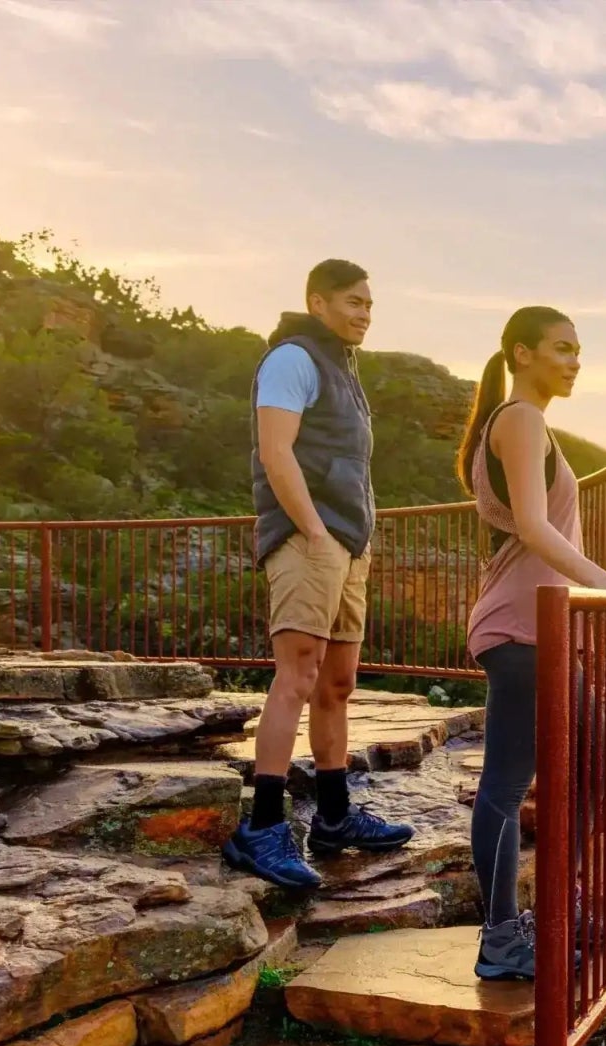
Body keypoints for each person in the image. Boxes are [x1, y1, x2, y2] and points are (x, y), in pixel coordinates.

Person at [461, 306, 606, 980]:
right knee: (506, 787)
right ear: (521, 353)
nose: (574, 360)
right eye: (561, 348)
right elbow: (538, 528)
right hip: (520, 628)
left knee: (602, 759)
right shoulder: (519, 420)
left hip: (534, 629)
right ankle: (503, 939)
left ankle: (548, 909)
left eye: (579, 349)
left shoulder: (524, 423)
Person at [223, 259, 415, 889]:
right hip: (310, 540)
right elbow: (276, 451)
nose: (365, 312)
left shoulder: (343, 367)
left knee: (336, 684)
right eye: (354, 302)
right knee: (297, 676)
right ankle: (263, 827)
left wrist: (356, 538)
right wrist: (311, 531)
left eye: (370, 303)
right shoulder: (293, 358)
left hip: (347, 544)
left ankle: (334, 818)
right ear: (318, 301)